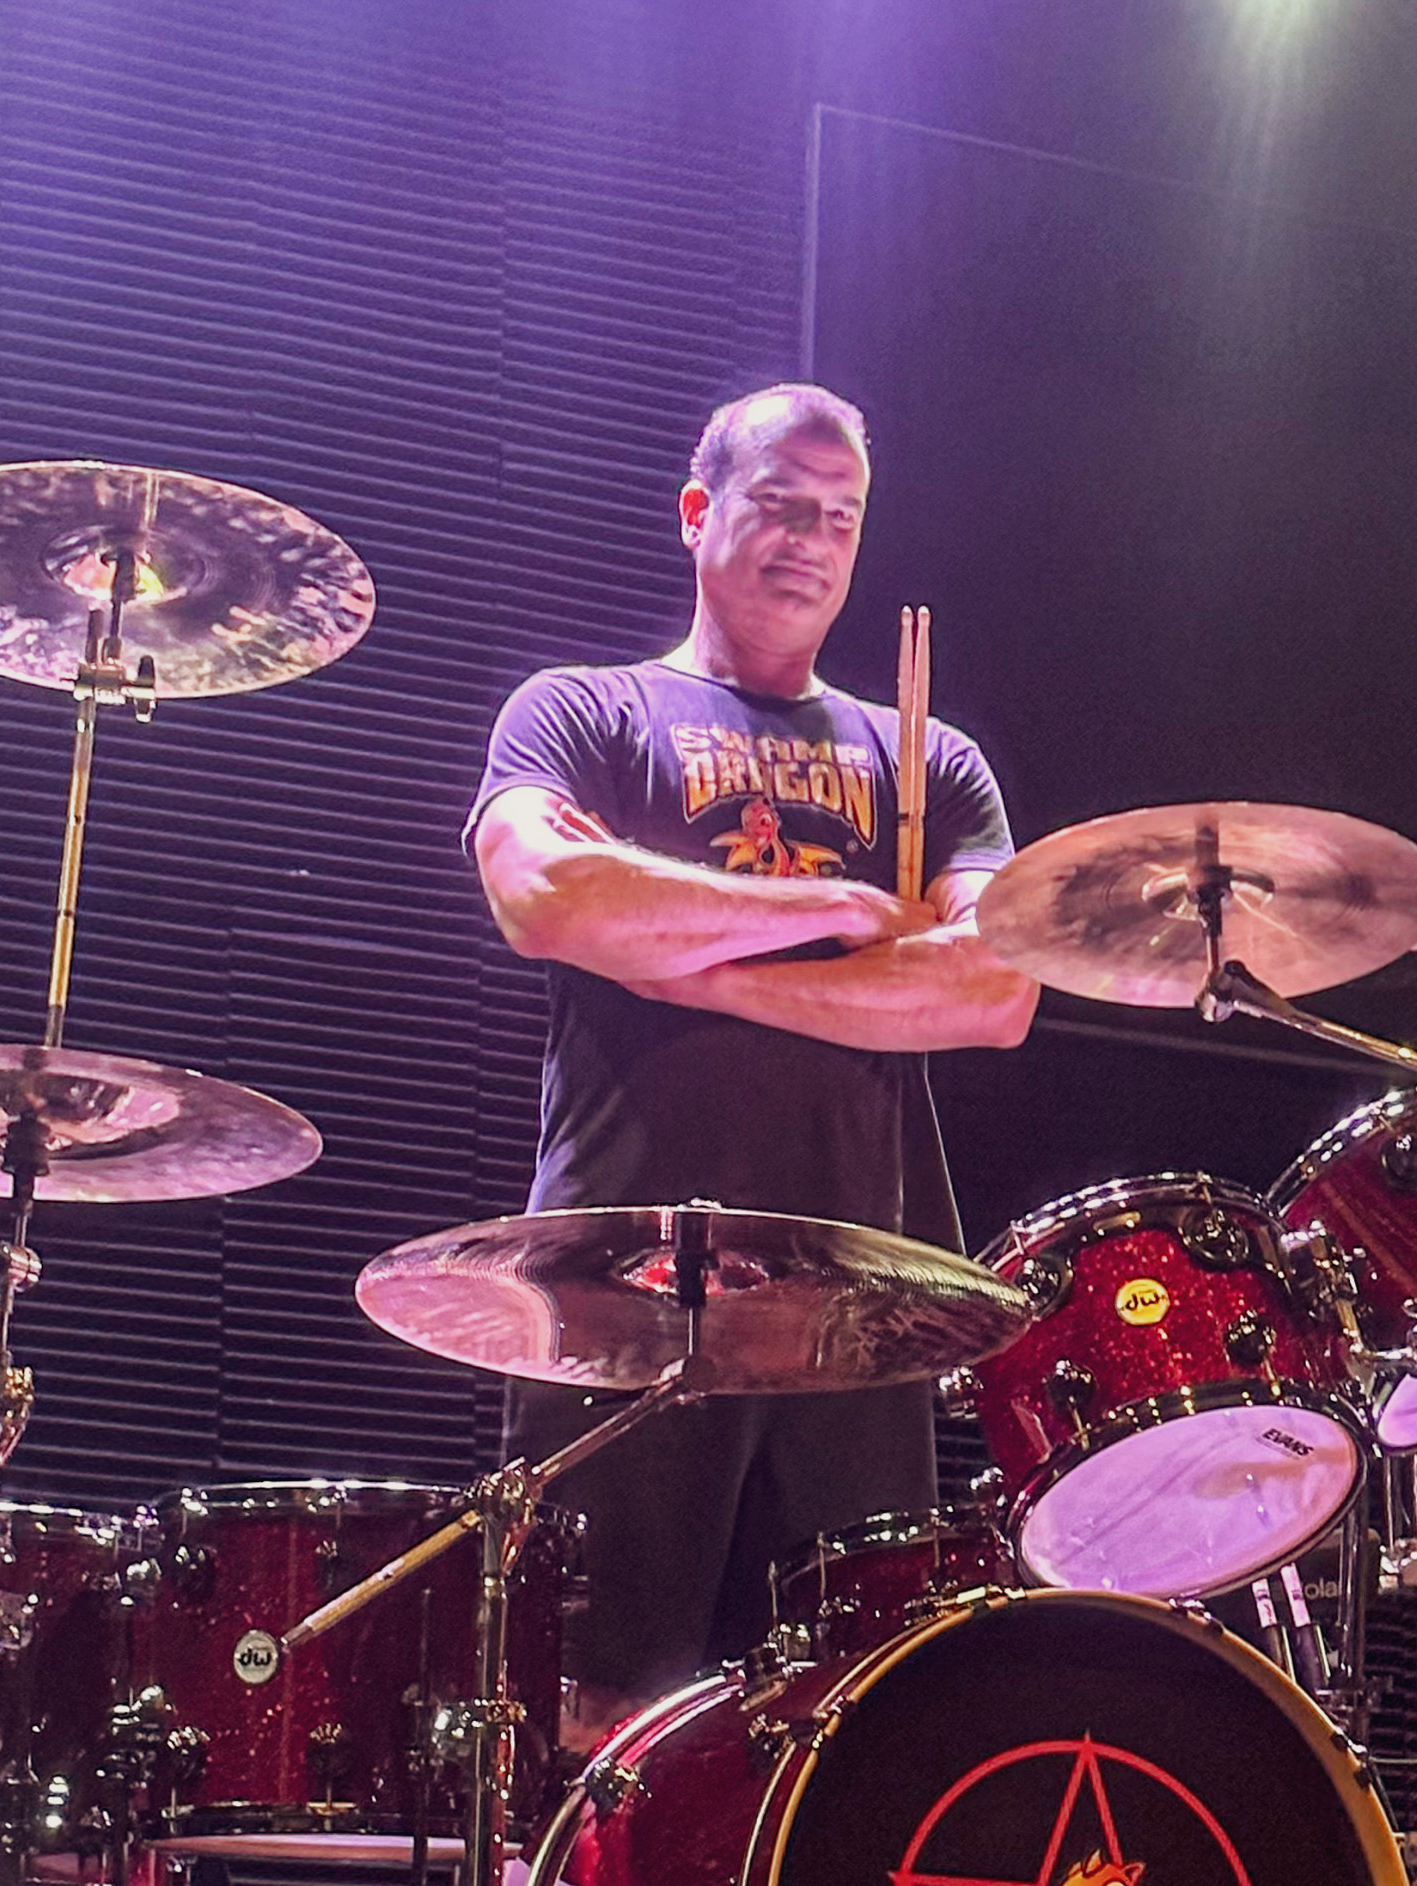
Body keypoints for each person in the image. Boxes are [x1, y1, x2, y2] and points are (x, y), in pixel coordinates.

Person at [463, 382, 1037, 1741]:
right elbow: (546, 894)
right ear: (697, 511)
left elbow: (997, 990)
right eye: (781, 505)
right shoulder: (584, 712)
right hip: (623, 1297)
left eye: (841, 517)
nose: (812, 542)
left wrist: (698, 966)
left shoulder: (929, 760)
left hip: (860, 1312)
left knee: (841, 1736)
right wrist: (834, 910)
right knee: (594, 1727)